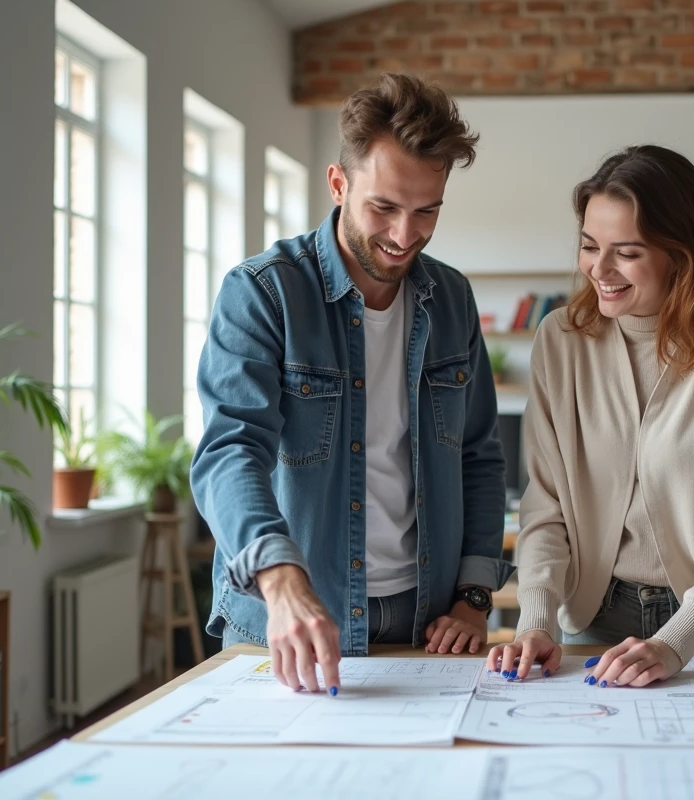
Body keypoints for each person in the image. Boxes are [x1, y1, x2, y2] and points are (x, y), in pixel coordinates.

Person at [191, 73, 513, 694]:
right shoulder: (264, 294)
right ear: (339, 184)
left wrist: (474, 596)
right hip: (289, 622)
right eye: (383, 208)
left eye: (427, 212)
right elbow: (230, 450)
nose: (403, 236)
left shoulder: (453, 299)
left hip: (430, 622)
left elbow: (478, 454)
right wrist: (281, 580)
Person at [488, 145, 694, 687]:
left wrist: (677, 640)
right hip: (596, 617)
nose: (599, 270)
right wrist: (535, 622)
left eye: (625, 252)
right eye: (588, 246)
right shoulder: (560, 340)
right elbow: (545, 505)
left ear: (682, 253)